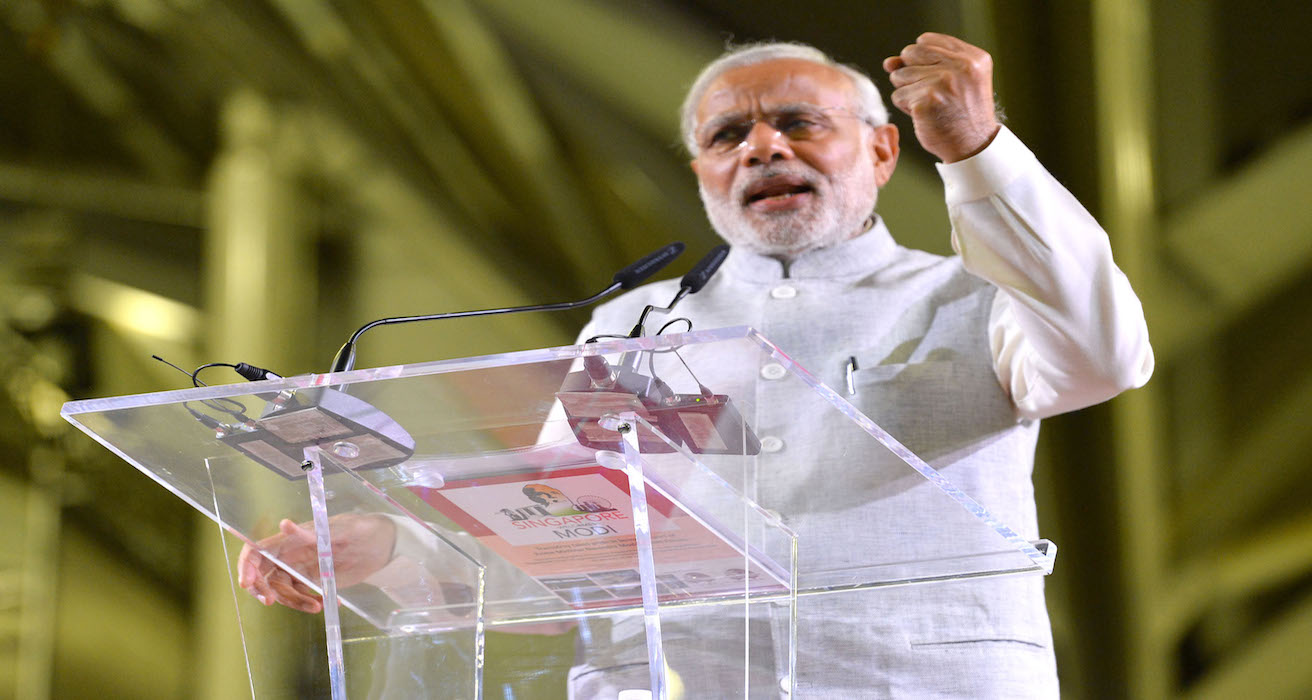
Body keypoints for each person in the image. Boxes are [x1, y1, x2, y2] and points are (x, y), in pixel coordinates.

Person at [240, 31, 1153, 698]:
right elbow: (568, 556)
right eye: (729, 137)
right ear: (702, 174)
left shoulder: (972, 297)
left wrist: (979, 155)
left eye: (800, 123)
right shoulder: (643, 327)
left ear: (882, 150)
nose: (763, 147)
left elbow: (1106, 356)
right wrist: (382, 550)